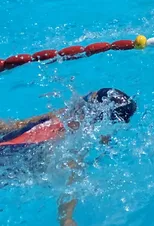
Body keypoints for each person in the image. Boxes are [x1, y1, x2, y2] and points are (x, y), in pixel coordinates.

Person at [0, 88, 136, 224]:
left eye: (87, 98)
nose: (81, 100)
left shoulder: (68, 129)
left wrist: (67, 219)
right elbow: (16, 126)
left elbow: (71, 182)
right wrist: (67, 219)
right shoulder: (68, 130)